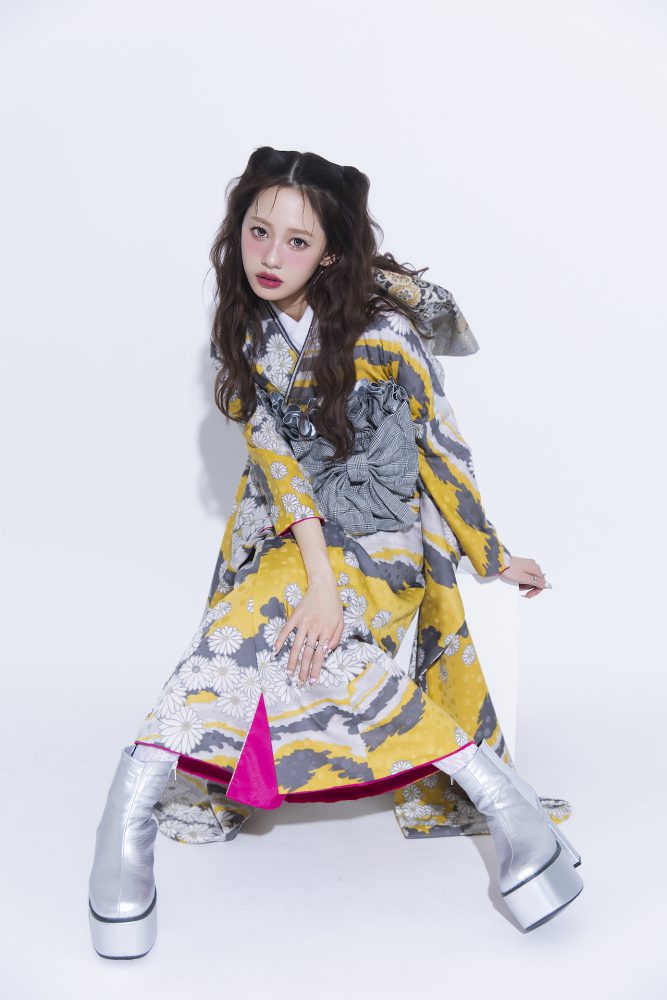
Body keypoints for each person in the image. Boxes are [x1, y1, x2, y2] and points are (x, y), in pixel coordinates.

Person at [87, 146, 583, 960]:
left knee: (279, 629)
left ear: (329, 254)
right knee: (260, 625)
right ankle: (510, 815)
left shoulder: (385, 334)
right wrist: (315, 580)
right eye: (257, 232)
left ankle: (124, 815)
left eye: (297, 241)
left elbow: (439, 448)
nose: (269, 257)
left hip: (381, 537)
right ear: (235, 231)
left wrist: (489, 555)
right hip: (287, 532)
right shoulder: (242, 332)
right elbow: (278, 470)